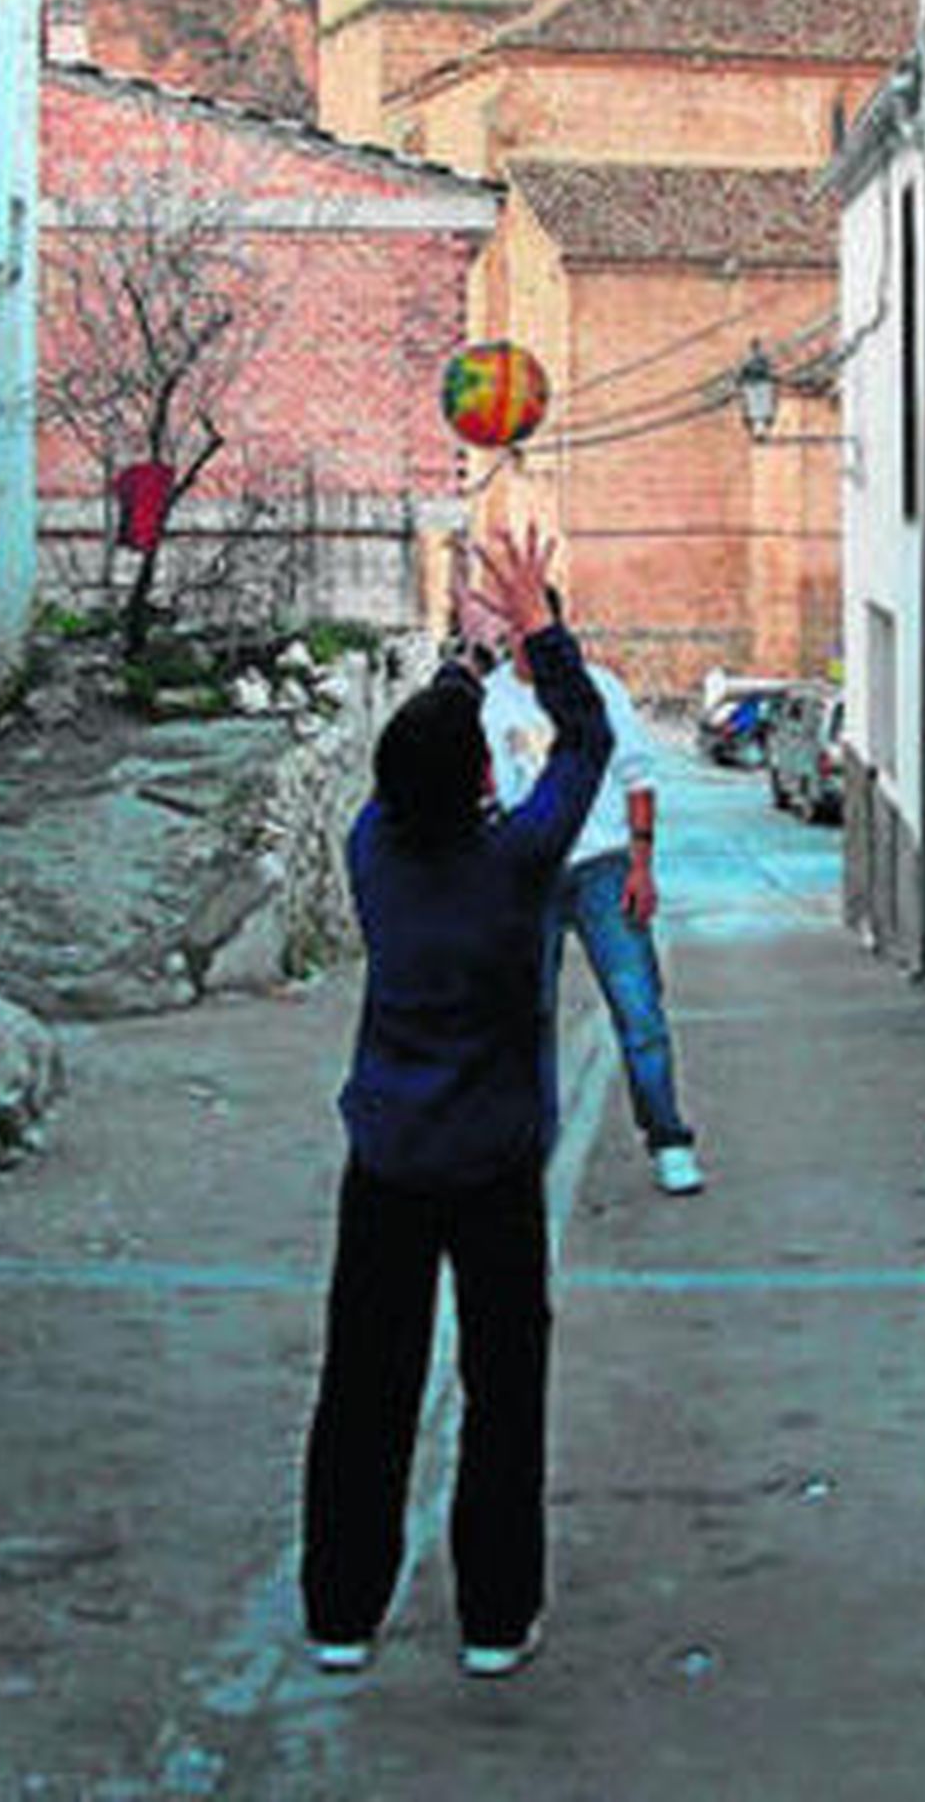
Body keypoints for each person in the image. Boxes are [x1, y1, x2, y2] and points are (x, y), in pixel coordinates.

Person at [300, 524, 610, 1682]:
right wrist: (535, 628)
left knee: (362, 1386)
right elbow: (585, 740)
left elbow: (422, 761)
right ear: (485, 779)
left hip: (386, 1158)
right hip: (491, 1168)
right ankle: (493, 1617)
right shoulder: (516, 864)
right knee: (503, 1389)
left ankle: (340, 1610)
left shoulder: (372, 847)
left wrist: (461, 665)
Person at [481, 590, 704, 1195]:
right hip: (527, 874)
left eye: (532, 622)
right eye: (513, 624)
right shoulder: (490, 697)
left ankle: (669, 1140)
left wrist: (641, 865)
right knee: (527, 1018)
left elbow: (638, 778)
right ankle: (527, 1145)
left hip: (602, 865)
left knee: (639, 1009)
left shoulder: (598, 689)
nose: (521, 635)